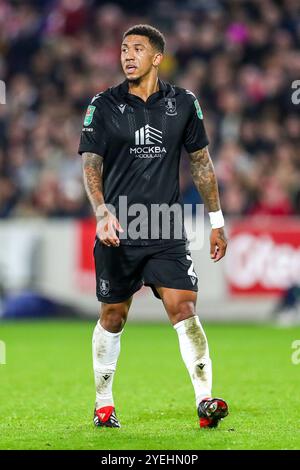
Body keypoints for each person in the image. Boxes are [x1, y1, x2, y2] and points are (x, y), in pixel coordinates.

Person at [79, 24, 228, 429]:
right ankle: (104, 403)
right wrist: (101, 211)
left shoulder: (184, 103)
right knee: (113, 317)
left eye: (137, 49)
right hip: (119, 230)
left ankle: (205, 402)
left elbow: (201, 162)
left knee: (185, 309)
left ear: (157, 58)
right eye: (124, 49)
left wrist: (216, 221)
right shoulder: (103, 105)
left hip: (165, 228)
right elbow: (91, 163)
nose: (127, 55)